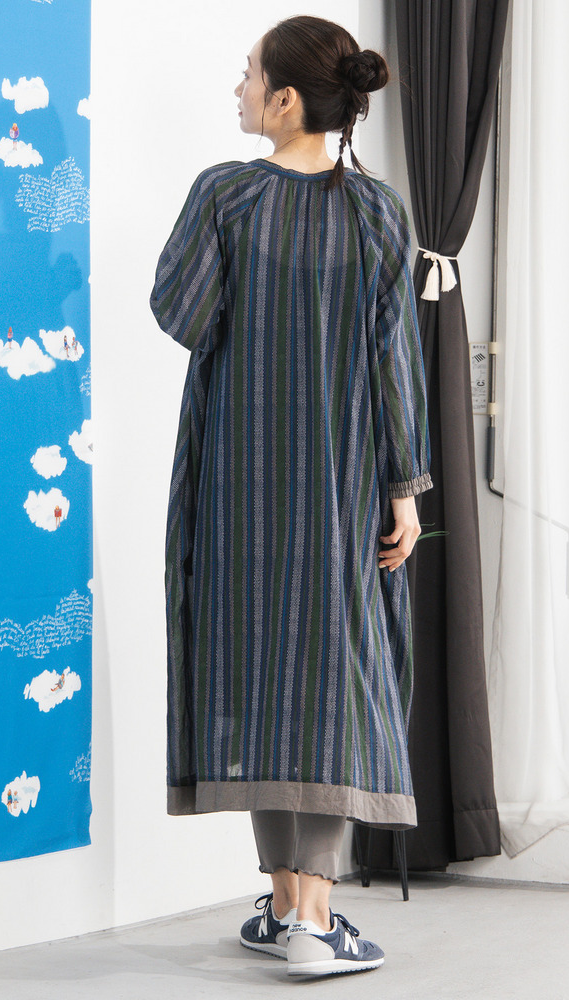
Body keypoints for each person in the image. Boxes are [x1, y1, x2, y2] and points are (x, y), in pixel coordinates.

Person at [149, 15, 432, 979]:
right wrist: (405, 487)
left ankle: (297, 912)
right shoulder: (380, 213)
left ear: (282, 100)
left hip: (239, 486)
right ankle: (300, 915)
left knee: (268, 681)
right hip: (344, 486)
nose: (236, 90)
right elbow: (396, 362)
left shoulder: (225, 195)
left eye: (247, 76)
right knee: (332, 683)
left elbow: (180, 312)